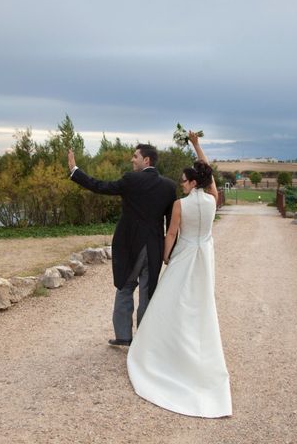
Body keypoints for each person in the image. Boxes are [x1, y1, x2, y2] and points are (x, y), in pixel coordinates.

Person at [127, 131, 232, 418]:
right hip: (204, 256)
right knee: (201, 301)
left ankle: (164, 350)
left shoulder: (180, 205)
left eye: (184, 181)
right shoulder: (213, 199)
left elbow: (171, 234)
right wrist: (197, 145)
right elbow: (208, 172)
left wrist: (164, 256)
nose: (181, 184)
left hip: (184, 255)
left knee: (173, 300)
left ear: (191, 182)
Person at [67, 144, 177, 346]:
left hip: (129, 245)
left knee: (125, 287)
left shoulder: (131, 180)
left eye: (135, 156)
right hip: (154, 247)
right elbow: (171, 225)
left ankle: (124, 336)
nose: (131, 159)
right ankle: (146, 340)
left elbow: (100, 186)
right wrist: (169, 252)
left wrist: (75, 171)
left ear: (147, 160)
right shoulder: (169, 186)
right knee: (148, 293)